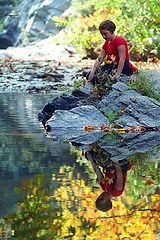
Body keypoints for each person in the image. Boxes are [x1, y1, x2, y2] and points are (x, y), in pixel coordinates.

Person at [86, 20, 137, 85]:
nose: (103, 36)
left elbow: (122, 59)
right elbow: (100, 58)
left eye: (105, 33)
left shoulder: (119, 41)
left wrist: (117, 75)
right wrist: (93, 70)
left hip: (122, 66)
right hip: (110, 65)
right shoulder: (106, 43)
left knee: (98, 79)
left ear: (112, 31)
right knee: (88, 75)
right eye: (102, 34)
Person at [85, 148, 132, 212]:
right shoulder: (116, 192)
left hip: (110, 166)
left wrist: (91, 160)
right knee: (102, 157)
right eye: (102, 199)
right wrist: (116, 164)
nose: (100, 196)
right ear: (108, 201)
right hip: (121, 167)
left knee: (91, 156)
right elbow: (120, 177)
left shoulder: (104, 187)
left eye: (99, 198)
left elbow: (97, 171)